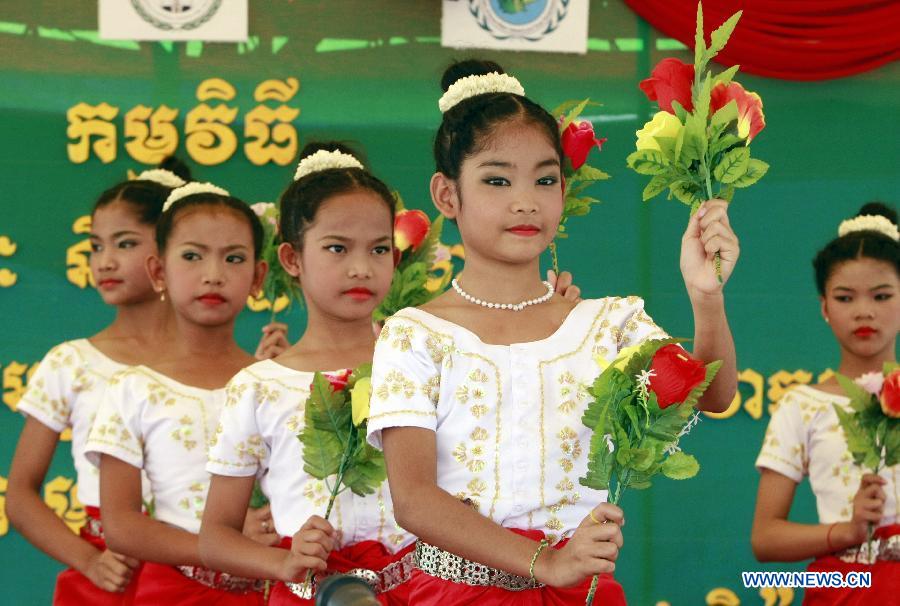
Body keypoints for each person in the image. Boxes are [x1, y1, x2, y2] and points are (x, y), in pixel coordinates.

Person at [366, 59, 740, 604]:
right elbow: (415, 500)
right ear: (448, 196)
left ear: (564, 190)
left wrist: (706, 297)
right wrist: (546, 563)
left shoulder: (606, 325)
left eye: (545, 179)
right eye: (497, 180)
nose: (526, 200)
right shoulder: (417, 334)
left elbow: (713, 394)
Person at [200, 142, 420, 605]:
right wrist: (283, 562)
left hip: (424, 593)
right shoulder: (259, 387)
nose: (361, 267)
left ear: (395, 258)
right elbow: (215, 536)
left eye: (379, 248)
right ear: (292, 259)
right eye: (337, 248)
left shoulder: (423, 362)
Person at [84, 182, 273, 605]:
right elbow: (121, 525)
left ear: (258, 276)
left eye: (234, 258)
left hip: (271, 590)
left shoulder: (278, 382)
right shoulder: (133, 389)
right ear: (158, 272)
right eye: (192, 256)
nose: (213, 274)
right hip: (170, 593)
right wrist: (220, 546)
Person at [6, 165, 187, 605]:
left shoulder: (217, 364)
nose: (104, 260)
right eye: (95, 246)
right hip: (111, 573)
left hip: (196, 575)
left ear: (168, 251)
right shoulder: (72, 362)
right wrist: (87, 560)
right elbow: (20, 494)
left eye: (124, 244)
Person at [752, 202, 900, 605]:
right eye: (846, 297)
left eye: (882, 295)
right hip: (843, 589)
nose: (865, 311)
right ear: (824, 308)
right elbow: (765, 539)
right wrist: (847, 533)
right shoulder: (802, 405)